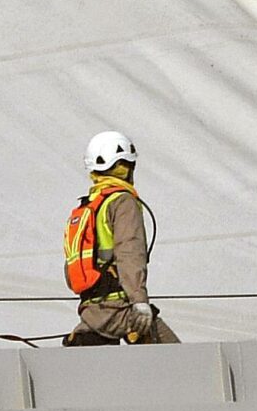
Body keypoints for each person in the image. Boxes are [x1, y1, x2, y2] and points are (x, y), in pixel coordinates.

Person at [62, 131, 178, 346]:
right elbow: (129, 253)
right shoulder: (123, 202)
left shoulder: (89, 206)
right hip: (121, 312)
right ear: (128, 166)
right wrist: (140, 301)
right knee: (184, 361)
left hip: (91, 312)